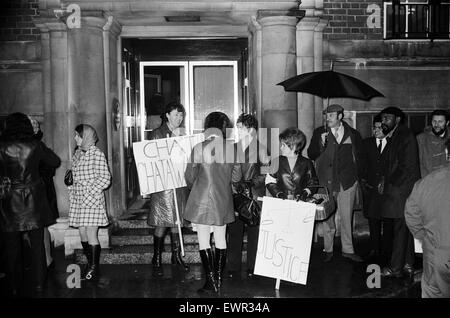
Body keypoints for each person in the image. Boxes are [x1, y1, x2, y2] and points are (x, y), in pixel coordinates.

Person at [0, 112, 60, 296]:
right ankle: (39, 284)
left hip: (10, 201)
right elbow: (55, 161)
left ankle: (14, 286)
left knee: (11, 247)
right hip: (34, 200)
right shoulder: (35, 145)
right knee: (37, 246)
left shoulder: (1, 147)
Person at [184, 111, 241, 293]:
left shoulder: (199, 148)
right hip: (223, 199)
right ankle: (218, 278)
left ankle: (210, 281)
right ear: (224, 128)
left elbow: (190, 176)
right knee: (221, 238)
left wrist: (198, 185)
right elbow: (237, 176)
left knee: (203, 240)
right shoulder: (232, 149)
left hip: (201, 199)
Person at [307, 104, 365, 263]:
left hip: (347, 182)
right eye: (326, 115)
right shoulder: (320, 132)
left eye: (331, 115)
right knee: (327, 218)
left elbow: (360, 158)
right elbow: (311, 154)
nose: (327, 118)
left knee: (347, 217)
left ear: (340, 116)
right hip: (325, 182)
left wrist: (356, 178)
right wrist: (320, 143)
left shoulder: (353, 134)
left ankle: (348, 250)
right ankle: (328, 249)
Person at [146, 102, 190, 276]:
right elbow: (152, 160)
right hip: (163, 186)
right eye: (176, 115)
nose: (179, 118)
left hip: (179, 184)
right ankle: (156, 257)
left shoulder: (183, 134)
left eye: (181, 115)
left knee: (177, 221)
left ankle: (176, 256)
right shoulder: (157, 134)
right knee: (162, 221)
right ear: (167, 116)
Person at [378, 107, 420, 278]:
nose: (384, 121)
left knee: (400, 229)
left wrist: (387, 182)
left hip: (402, 190)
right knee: (405, 228)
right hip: (400, 189)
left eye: (388, 118)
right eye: (383, 118)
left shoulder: (404, 136)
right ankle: (409, 264)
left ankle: (395, 268)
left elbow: (406, 166)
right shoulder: (396, 135)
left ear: (398, 119)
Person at [226, 113, 270, 279]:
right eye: (237, 127)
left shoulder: (261, 148)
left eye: (240, 128)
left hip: (254, 196)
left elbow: (266, 172)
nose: (238, 131)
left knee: (254, 232)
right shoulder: (233, 148)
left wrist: (252, 183)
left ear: (250, 129)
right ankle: (233, 266)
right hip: (236, 195)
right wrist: (233, 186)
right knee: (235, 231)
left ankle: (253, 266)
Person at [405, 139, 450, 297]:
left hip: (436, 252)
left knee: (433, 290)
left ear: (446, 153)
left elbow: (411, 213)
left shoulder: (426, 182)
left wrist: (423, 237)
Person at [68, 124, 111, 282]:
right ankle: (90, 263)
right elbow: (75, 175)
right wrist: (71, 184)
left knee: (91, 234)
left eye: (77, 135)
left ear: (85, 136)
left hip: (91, 201)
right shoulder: (78, 153)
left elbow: (105, 179)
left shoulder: (96, 154)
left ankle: (93, 268)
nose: (75, 138)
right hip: (79, 201)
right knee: (82, 233)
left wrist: (89, 190)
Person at [29, 116, 61, 269]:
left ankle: (46, 260)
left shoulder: (38, 145)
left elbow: (53, 163)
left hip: (39, 191)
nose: (36, 127)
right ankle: (42, 260)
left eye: (36, 124)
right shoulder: (36, 145)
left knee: (40, 229)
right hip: (35, 192)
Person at [361, 114, 392, 264]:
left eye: (380, 127)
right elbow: (361, 164)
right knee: (373, 220)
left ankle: (387, 251)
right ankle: (374, 249)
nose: (377, 130)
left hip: (388, 190)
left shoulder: (393, 143)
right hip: (371, 189)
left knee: (387, 220)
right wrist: (365, 182)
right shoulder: (366, 143)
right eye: (375, 127)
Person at [265, 127, 319, 201]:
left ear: (293, 146)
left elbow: (313, 183)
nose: (281, 148)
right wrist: (278, 194)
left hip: (300, 204)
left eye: (283, 145)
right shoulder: (275, 162)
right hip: (281, 204)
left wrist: (305, 192)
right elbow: (270, 181)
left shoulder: (307, 163)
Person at [416, 109, 449, 178]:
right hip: (428, 179)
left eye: (440, 122)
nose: (436, 125)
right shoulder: (421, 138)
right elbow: (418, 163)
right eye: (434, 121)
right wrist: (429, 179)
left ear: (447, 123)